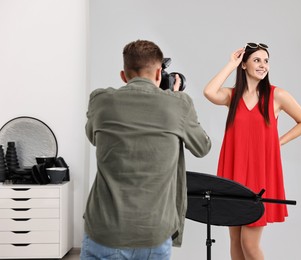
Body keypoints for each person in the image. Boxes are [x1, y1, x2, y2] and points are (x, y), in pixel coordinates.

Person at [81, 39, 211, 260]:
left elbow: (93, 137)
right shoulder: (179, 104)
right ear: (159, 74)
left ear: (124, 75)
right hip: (154, 231)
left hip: (105, 229)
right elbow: (202, 147)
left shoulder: (100, 101)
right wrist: (175, 97)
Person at [203, 43, 301, 260]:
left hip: (259, 176)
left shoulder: (277, 95)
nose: (263, 65)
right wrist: (231, 64)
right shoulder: (231, 96)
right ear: (244, 65)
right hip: (234, 173)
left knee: (249, 244)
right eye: (257, 60)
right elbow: (209, 92)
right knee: (235, 241)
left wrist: (276, 143)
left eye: (266, 61)